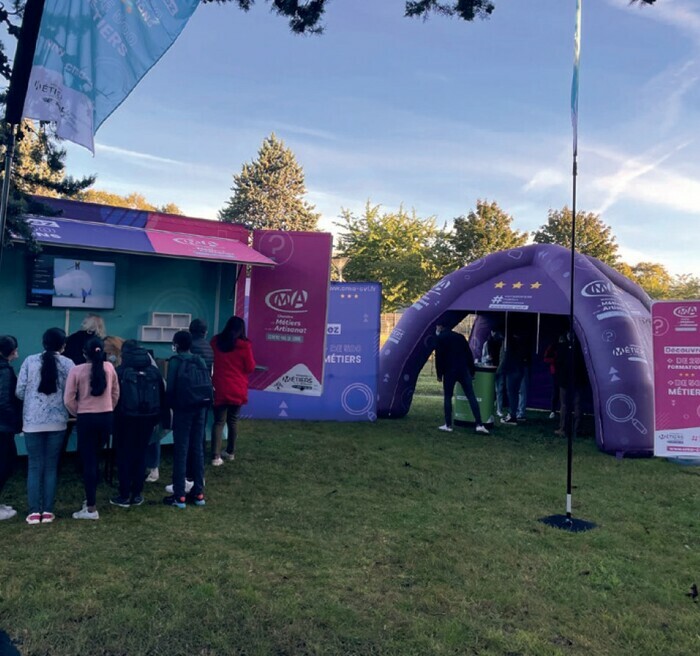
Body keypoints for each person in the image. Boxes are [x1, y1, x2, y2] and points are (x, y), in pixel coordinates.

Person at [16, 328, 74, 524]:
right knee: (50, 466)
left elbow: (20, 391)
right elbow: (71, 393)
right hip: (58, 422)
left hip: (32, 422)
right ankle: (48, 511)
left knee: (34, 466)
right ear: (63, 345)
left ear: (43, 342)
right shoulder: (68, 364)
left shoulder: (29, 361)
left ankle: (34, 512)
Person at [64, 336, 120, 520]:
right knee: (97, 457)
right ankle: (91, 501)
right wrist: (108, 407)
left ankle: (90, 507)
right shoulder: (110, 367)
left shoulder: (76, 370)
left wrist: (79, 411)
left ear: (83, 353)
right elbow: (115, 392)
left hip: (86, 418)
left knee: (88, 461)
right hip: (106, 417)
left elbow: (68, 399)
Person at [111, 340, 167, 508]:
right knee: (141, 453)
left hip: (124, 418)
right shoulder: (154, 371)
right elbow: (162, 397)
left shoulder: (119, 371)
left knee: (124, 455)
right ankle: (137, 494)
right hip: (148, 418)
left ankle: (123, 494)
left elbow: (113, 397)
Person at [163, 331, 211, 508]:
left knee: (181, 450)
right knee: (197, 448)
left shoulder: (176, 361)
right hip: (201, 407)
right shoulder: (199, 360)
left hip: (183, 409)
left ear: (176, 344)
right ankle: (198, 493)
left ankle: (179, 495)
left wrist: (168, 407)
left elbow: (171, 388)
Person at [210, 316, 255, 465]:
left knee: (218, 421)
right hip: (237, 387)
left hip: (220, 386)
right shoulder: (245, 346)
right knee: (233, 420)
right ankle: (230, 452)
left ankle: (215, 456)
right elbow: (250, 367)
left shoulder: (216, 342)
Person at [434, 322, 489, 435]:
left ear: (441, 326)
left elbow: (439, 357)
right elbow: (469, 354)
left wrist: (439, 374)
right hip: (463, 370)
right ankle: (479, 424)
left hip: (449, 371)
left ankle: (448, 425)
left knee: (448, 397)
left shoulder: (441, 338)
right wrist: (472, 370)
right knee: (471, 396)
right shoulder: (460, 337)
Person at [0, 336, 21, 521]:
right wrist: (16, 422)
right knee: (5, 464)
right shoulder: (5, 371)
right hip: (3, 425)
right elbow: (4, 401)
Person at [554, 332, 588, 437]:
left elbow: (558, 363)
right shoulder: (582, 348)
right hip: (578, 380)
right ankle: (577, 430)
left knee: (564, 405)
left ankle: (563, 429)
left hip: (564, 381)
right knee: (577, 405)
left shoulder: (562, 347)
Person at [497, 329, 527, 426]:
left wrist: (499, 371)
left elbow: (505, 358)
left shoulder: (508, 344)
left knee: (512, 393)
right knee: (516, 393)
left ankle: (512, 415)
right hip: (519, 370)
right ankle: (514, 413)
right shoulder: (520, 343)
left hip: (512, 371)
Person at [481, 329, 504, 418]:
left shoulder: (502, 343)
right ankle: (489, 407)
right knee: (491, 390)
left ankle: (499, 409)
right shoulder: (487, 344)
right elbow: (483, 358)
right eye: (494, 331)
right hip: (490, 369)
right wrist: (488, 358)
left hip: (499, 368)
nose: (495, 334)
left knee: (499, 390)